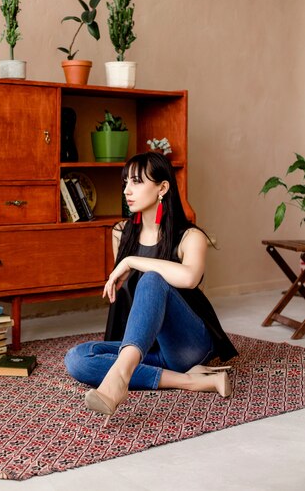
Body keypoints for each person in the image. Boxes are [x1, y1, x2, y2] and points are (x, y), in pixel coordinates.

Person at [64, 151, 238, 424]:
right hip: (146, 347)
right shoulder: (121, 233)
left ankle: (119, 378)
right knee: (77, 358)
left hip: (187, 344)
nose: (127, 190)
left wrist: (132, 261)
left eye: (136, 182)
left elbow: (190, 278)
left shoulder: (191, 236)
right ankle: (192, 381)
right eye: (125, 183)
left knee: (152, 278)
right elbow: (124, 301)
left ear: (162, 188)